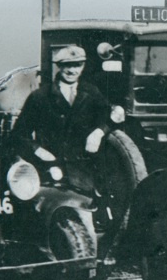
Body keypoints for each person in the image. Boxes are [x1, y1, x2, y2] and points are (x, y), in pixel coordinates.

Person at [10, 45, 111, 182]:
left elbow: (108, 117)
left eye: (77, 65)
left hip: (85, 173)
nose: (72, 71)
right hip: (50, 170)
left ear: (83, 67)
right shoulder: (40, 97)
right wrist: (39, 151)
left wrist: (98, 132)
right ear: (59, 66)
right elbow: (19, 135)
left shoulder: (92, 93)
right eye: (67, 65)